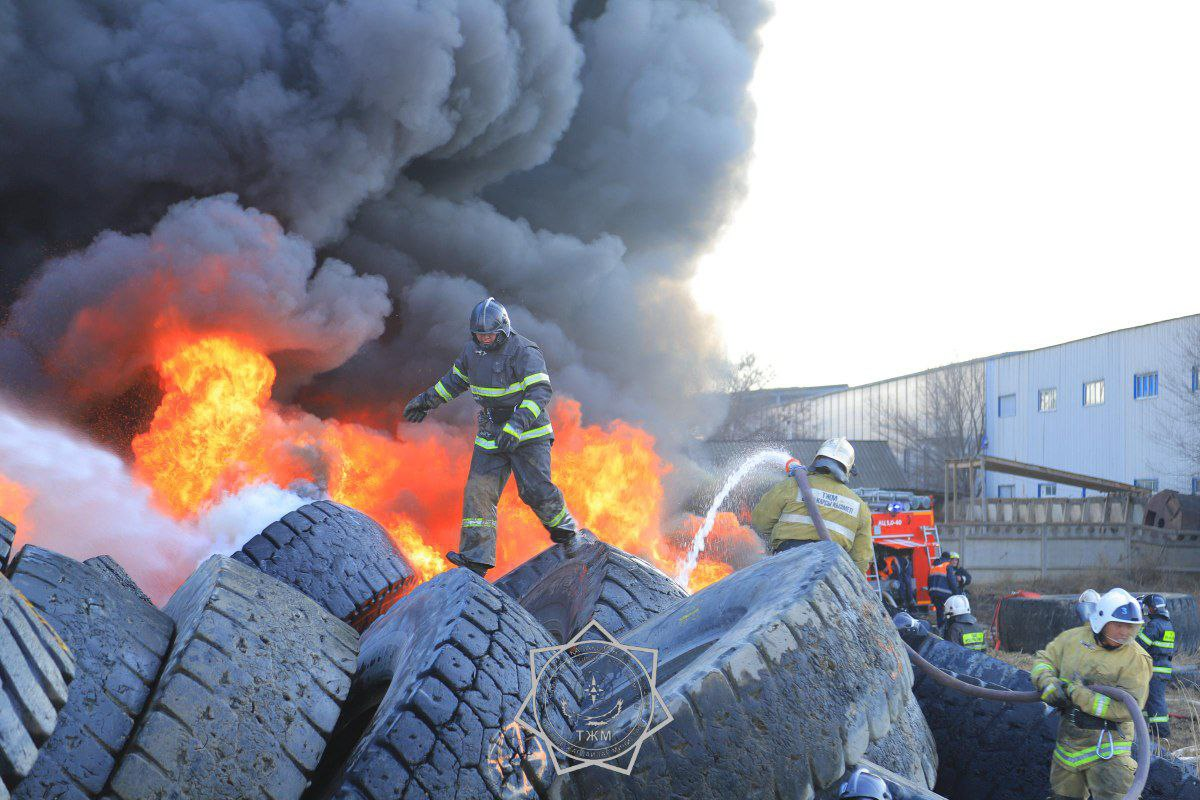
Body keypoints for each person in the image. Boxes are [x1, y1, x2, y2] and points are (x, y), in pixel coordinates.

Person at [404, 298, 579, 577]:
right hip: (491, 434)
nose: (485, 339)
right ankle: (476, 560)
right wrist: (425, 401)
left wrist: (516, 426)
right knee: (478, 492)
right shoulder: (472, 352)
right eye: (479, 334)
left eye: (490, 334)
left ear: (504, 329)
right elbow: (454, 381)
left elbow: (540, 392)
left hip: (529, 433)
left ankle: (566, 532)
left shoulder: (524, 351)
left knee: (534, 490)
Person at [1031, 588, 1151, 800]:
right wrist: (1047, 682)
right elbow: (1044, 660)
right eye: (1119, 625)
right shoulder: (1072, 639)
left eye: (1130, 626)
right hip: (1068, 745)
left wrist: (1081, 696)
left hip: (1108, 750)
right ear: (1101, 620)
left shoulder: (1136, 659)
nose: (1125, 632)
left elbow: (1127, 708)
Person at [750, 438, 874, 572]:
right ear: (848, 468)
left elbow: (759, 522)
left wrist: (773, 545)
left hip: (786, 565)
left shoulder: (791, 485)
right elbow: (860, 561)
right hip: (831, 572)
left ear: (818, 459)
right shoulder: (860, 507)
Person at [1136, 593, 1175, 739]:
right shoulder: (1167, 624)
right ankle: (1148, 729)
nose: (1147, 610)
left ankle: (1162, 734)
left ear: (1154, 608)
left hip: (1155, 669)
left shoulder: (1154, 625)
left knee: (1155, 701)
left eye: (1148, 607)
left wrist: (1136, 628)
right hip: (1163, 668)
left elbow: (1139, 645)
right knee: (1149, 700)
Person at [927, 553, 958, 627]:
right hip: (945, 594)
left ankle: (940, 628)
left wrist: (930, 593)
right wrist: (956, 593)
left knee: (939, 612)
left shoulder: (933, 566)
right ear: (948, 559)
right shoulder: (947, 566)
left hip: (934, 594)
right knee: (949, 612)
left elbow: (929, 581)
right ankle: (948, 627)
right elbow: (952, 581)